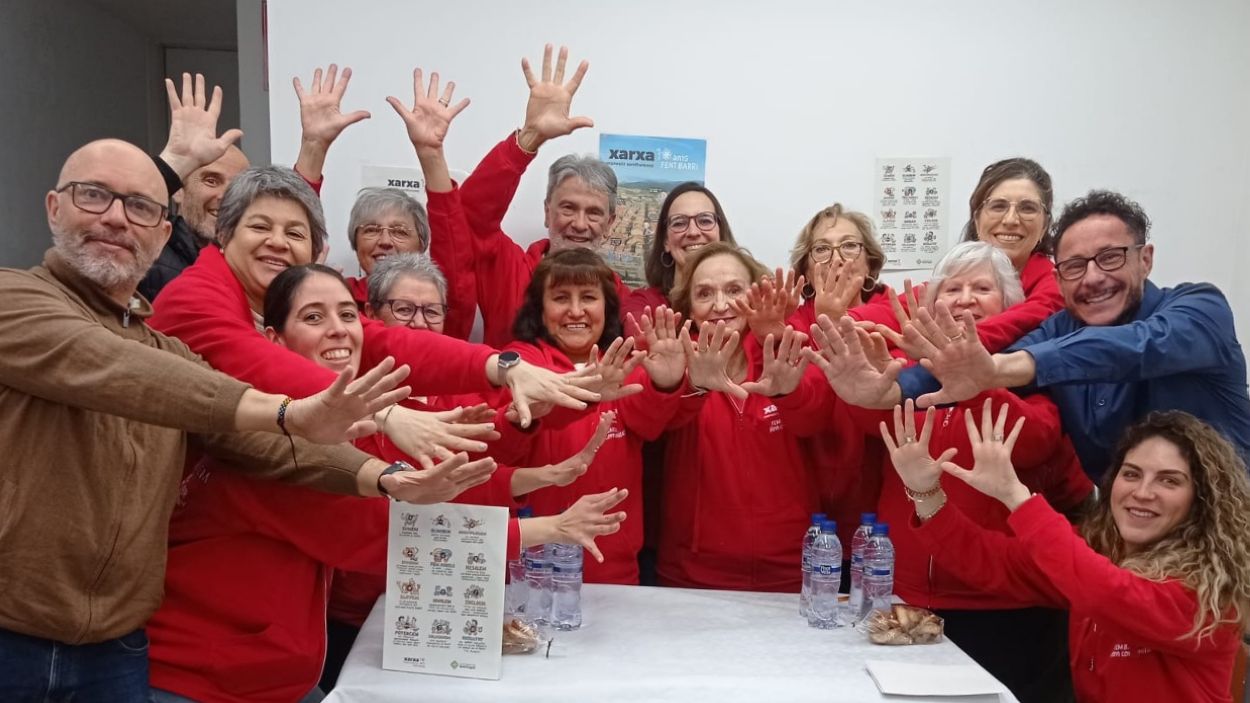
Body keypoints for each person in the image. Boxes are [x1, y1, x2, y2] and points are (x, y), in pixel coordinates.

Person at [0, 138, 478, 702]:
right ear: (54, 207)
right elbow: (122, 370)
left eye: (141, 208)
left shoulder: (162, 343)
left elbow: (249, 441)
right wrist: (294, 412)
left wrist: (383, 477)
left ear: (162, 233)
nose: (115, 219)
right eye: (94, 196)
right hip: (16, 636)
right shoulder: (16, 297)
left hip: (118, 645)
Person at [146, 263, 627, 703]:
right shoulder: (277, 433)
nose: (338, 330)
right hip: (202, 678)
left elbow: (430, 482)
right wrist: (551, 528)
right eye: (313, 318)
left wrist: (532, 475)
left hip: (270, 669)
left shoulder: (358, 414)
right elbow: (390, 531)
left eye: (345, 315)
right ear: (273, 339)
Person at [149, 162, 600, 435]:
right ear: (224, 235)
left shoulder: (289, 301)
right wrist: (386, 417)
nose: (279, 243)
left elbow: (392, 344)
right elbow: (267, 366)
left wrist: (504, 367)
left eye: (295, 233)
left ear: (314, 249)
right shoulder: (195, 298)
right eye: (260, 228)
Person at [885, 407, 1250, 703]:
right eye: (1132, 474)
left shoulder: (1213, 592)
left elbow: (1107, 593)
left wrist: (1016, 497)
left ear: (1202, 501)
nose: (1142, 492)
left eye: (1169, 481)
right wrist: (926, 492)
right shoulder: (1099, 552)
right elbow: (993, 563)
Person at [892, 190, 1250, 478]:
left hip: (1226, 537)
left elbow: (1139, 345)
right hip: (1122, 540)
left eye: (1110, 257)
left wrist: (1001, 369)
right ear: (1059, 279)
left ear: (1145, 259)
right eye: (1075, 266)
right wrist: (890, 388)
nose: (1093, 278)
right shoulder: (1058, 328)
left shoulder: (1201, 308)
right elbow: (976, 367)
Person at [506, 248, 690, 584]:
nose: (575, 311)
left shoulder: (624, 362)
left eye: (588, 297)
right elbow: (509, 446)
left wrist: (667, 381)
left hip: (614, 566)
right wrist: (586, 393)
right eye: (561, 297)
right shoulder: (519, 363)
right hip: (532, 567)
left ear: (607, 307)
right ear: (540, 308)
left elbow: (649, 425)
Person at [656, 242, 825, 592]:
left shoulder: (788, 348)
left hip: (790, 569)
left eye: (734, 290)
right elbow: (655, 424)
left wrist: (785, 391)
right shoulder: (671, 360)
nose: (720, 305)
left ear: (757, 295)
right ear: (688, 307)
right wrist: (694, 387)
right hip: (693, 573)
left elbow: (814, 422)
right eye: (704, 293)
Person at [456, 45, 631, 347]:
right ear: (547, 212)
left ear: (610, 222)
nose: (579, 223)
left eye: (593, 213)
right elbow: (470, 215)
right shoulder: (508, 268)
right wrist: (528, 139)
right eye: (567, 208)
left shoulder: (620, 295)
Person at [854, 158, 1065, 354]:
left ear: (1045, 224)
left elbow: (1025, 320)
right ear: (976, 218)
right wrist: (841, 325)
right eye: (998, 206)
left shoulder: (1058, 285)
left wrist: (944, 342)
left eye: (1027, 208)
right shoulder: (953, 279)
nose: (1011, 219)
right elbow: (893, 313)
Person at [624, 182, 740, 319]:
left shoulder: (751, 298)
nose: (693, 232)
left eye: (705, 221)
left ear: (721, 232)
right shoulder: (643, 304)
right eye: (679, 223)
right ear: (665, 241)